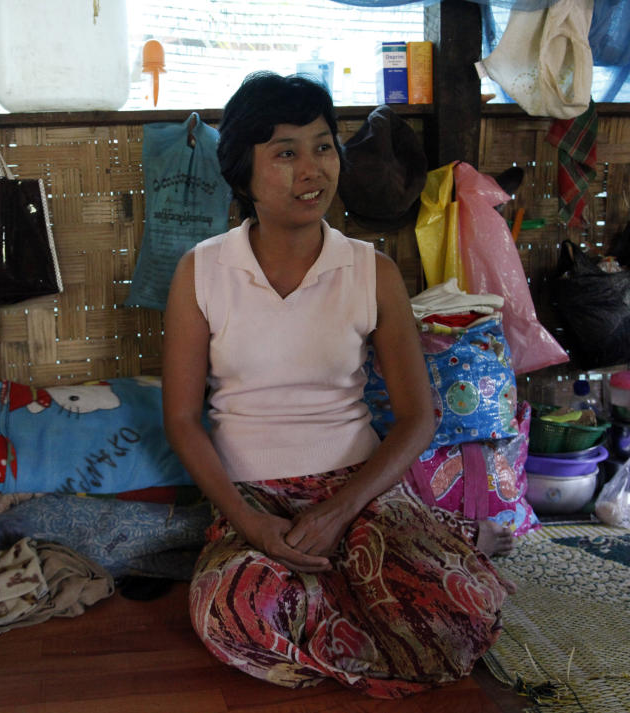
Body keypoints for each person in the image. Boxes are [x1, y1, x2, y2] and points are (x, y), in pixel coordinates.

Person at [161, 71, 513, 698]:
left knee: (466, 604)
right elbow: (184, 419)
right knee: (228, 610)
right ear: (244, 172)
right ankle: (363, 638)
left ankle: (329, 631)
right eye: (286, 152)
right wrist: (245, 522)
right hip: (254, 500)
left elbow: (416, 417)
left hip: (358, 489)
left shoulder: (369, 271)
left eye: (323, 147)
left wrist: (338, 511)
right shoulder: (202, 271)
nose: (312, 170)